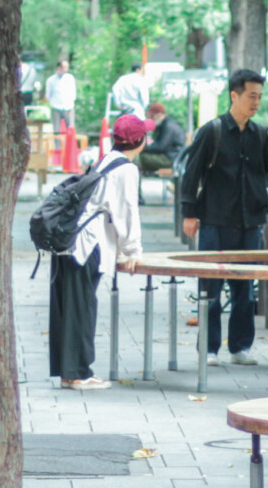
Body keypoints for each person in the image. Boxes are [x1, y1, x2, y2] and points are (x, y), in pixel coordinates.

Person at [178, 69, 268, 364]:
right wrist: (189, 213)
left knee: (244, 289)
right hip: (215, 220)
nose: (255, 102)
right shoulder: (212, 131)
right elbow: (191, 174)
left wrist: (259, 200)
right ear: (234, 95)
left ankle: (240, 347)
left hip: (250, 222)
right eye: (250, 96)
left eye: (259, 96)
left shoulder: (260, 134)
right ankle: (208, 349)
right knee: (210, 287)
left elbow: (265, 172)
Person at [50, 114, 146, 390]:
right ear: (140, 141)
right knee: (83, 308)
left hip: (68, 240)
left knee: (69, 308)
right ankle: (79, 373)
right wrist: (132, 251)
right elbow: (127, 210)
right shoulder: (127, 169)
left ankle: (69, 372)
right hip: (87, 245)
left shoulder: (104, 160)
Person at [140, 100, 186, 175]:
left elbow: (160, 147)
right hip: (172, 156)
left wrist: (142, 148)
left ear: (159, 114)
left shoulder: (168, 126)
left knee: (141, 157)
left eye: (152, 116)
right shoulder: (167, 123)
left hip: (172, 159)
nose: (151, 119)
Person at [45, 58, 77, 129]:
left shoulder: (70, 78)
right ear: (59, 67)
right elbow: (48, 94)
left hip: (68, 106)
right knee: (56, 129)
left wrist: (71, 100)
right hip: (56, 106)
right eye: (64, 67)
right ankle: (57, 140)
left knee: (70, 128)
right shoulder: (51, 80)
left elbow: (73, 91)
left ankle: (69, 140)